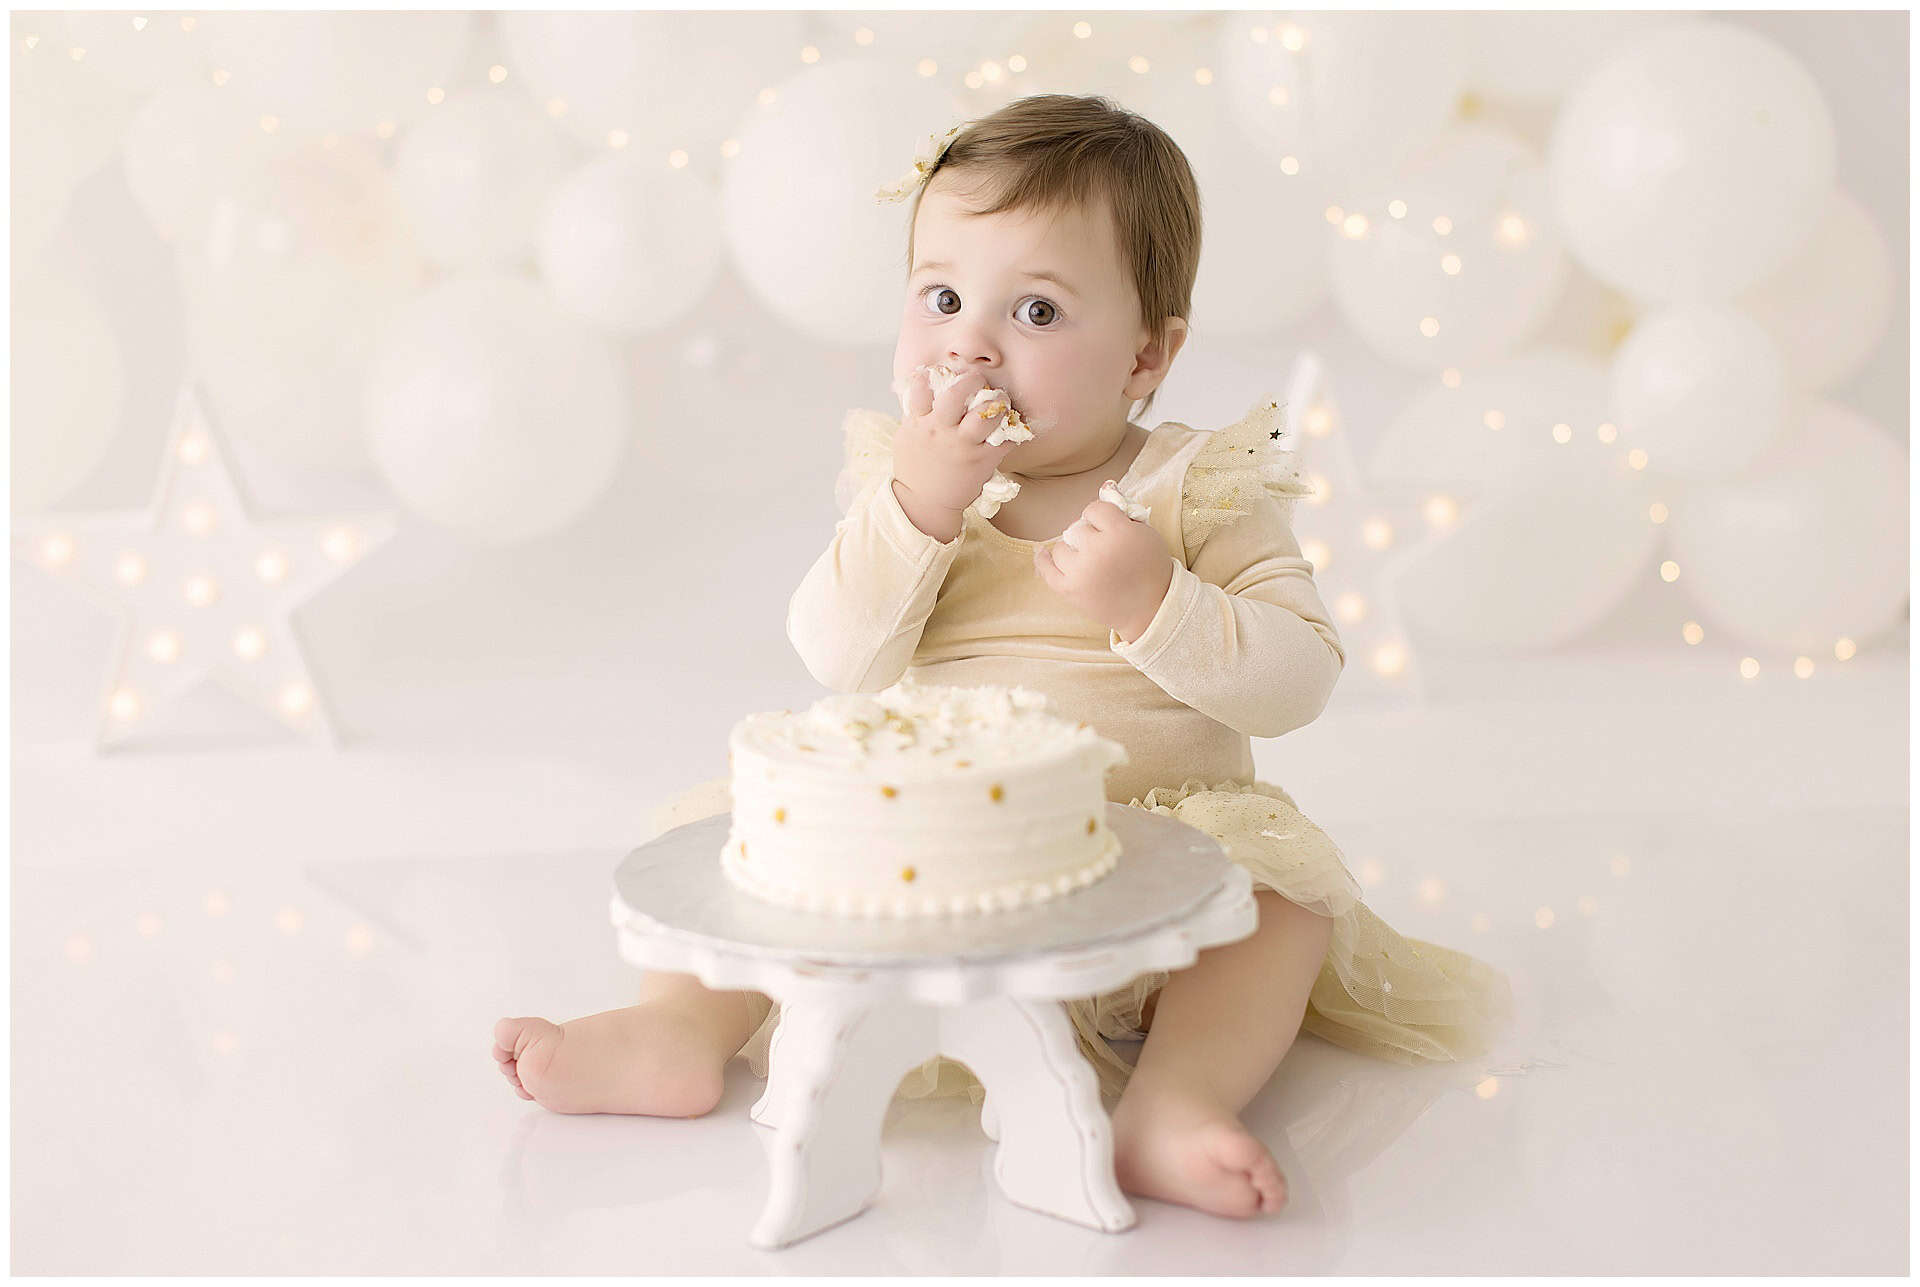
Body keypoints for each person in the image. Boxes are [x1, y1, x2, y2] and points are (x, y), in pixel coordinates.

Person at [493, 93, 1512, 1221]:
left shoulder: (1193, 487)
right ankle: (678, 1031)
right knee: (753, 838)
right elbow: (837, 654)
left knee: (1279, 905)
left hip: (1147, 877)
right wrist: (920, 509)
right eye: (940, 297)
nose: (970, 343)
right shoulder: (907, 481)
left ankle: (1173, 1101)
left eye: (1035, 308)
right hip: (926, 859)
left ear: (1147, 352)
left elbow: (1298, 678)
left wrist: (1156, 602)